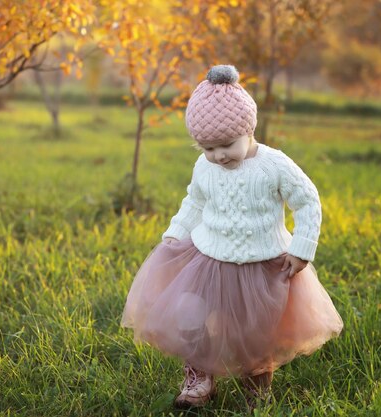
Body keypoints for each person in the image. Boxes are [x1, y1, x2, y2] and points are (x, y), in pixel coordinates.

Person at [120, 64, 343, 410]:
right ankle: (199, 376)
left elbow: (307, 201)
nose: (218, 155)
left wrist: (302, 247)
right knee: (190, 311)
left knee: (254, 329)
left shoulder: (275, 165)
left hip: (263, 263)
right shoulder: (205, 166)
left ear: (248, 131)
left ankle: (256, 382)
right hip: (208, 258)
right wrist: (176, 233)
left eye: (226, 145)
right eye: (207, 148)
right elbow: (195, 200)